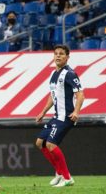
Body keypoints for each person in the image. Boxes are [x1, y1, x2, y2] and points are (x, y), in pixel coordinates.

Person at [35, 45, 84, 187]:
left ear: (67, 57)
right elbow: (53, 96)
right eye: (56, 53)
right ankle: (59, 172)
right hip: (56, 116)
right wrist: (43, 112)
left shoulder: (70, 73)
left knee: (50, 144)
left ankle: (67, 178)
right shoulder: (53, 74)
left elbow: (80, 94)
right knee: (40, 142)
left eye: (61, 54)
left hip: (66, 117)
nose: (58, 56)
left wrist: (76, 111)